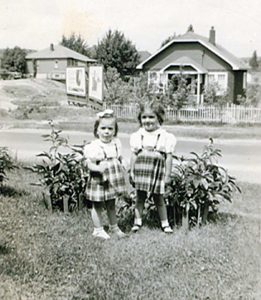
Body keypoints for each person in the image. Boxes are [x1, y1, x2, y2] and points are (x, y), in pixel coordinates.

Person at [129, 100, 176, 233]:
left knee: (159, 197)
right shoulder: (138, 136)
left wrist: (167, 175)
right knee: (140, 196)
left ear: (159, 118)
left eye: (151, 117)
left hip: (157, 170)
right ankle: (137, 222)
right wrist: (131, 171)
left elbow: (168, 157)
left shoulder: (165, 136)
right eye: (144, 117)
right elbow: (133, 155)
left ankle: (165, 223)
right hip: (141, 169)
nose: (147, 120)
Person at [84, 109, 127, 240]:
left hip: (113, 178)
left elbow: (119, 157)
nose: (106, 132)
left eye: (110, 129)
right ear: (97, 130)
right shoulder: (94, 147)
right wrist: (97, 167)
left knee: (111, 203)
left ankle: (114, 227)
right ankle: (98, 229)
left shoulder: (116, 144)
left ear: (115, 131)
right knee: (97, 205)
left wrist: (124, 162)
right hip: (99, 179)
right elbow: (88, 163)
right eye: (103, 128)